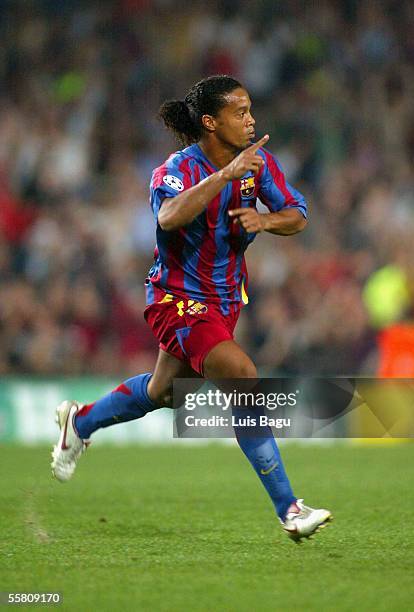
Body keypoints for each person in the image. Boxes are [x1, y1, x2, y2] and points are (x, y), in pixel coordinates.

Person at [51, 75, 332, 542]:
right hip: (176, 300)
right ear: (210, 121)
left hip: (223, 303)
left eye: (250, 110)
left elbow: (298, 214)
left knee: (163, 392)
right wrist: (224, 176)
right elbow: (167, 216)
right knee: (243, 378)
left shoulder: (258, 166)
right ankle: (291, 509)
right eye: (239, 112)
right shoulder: (177, 169)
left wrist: (264, 218)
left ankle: (80, 422)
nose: (250, 119)